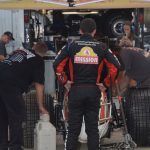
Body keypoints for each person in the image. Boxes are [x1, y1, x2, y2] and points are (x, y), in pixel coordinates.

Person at [53, 18, 120, 150]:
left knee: (73, 130)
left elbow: (56, 65)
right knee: (92, 130)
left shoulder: (71, 46)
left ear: (80, 30)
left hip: (75, 90)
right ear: (94, 31)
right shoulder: (102, 47)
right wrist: (105, 84)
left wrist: (65, 81)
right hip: (93, 91)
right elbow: (116, 67)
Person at [0, 41, 48, 150]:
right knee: (17, 115)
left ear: (33, 47)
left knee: (2, 115)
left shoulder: (20, 50)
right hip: (11, 83)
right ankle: (15, 147)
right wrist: (41, 106)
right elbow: (39, 85)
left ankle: (2, 145)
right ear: (43, 54)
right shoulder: (38, 60)